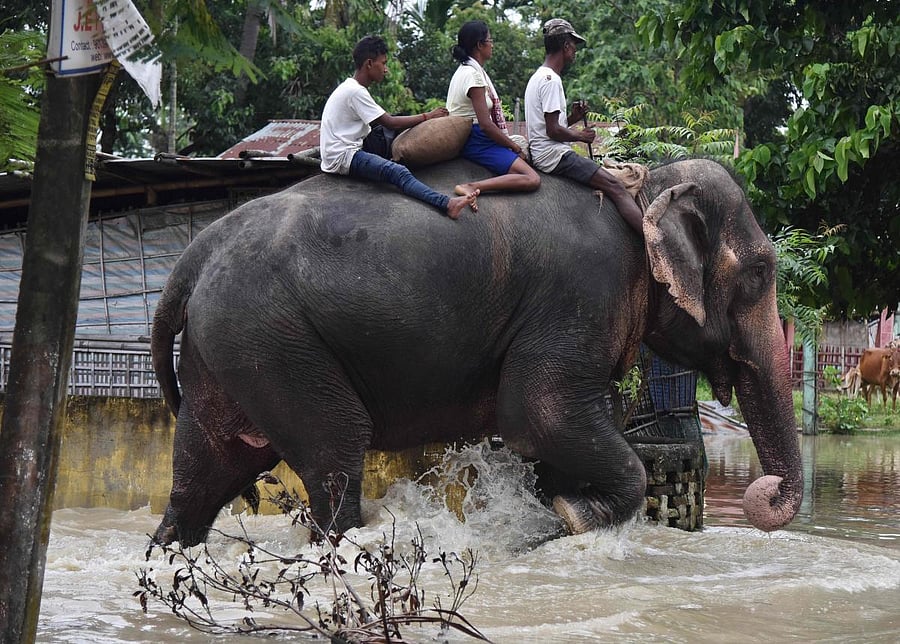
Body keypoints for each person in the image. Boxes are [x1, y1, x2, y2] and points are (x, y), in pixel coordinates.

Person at [320, 35, 478, 219]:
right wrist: (428, 116)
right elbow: (390, 122)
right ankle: (446, 204)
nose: (385, 70)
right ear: (369, 63)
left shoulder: (351, 87)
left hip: (347, 147)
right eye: (383, 63)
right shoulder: (355, 92)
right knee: (398, 172)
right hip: (344, 156)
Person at [524, 19, 643, 235]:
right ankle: (654, 242)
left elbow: (548, 127)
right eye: (574, 44)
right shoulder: (551, 80)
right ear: (566, 45)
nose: (575, 50)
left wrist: (573, 118)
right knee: (616, 187)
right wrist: (581, 136)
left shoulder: (538, 76)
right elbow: (553, 132)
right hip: (553, 156)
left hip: (544, 151)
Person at [446, 20, 540, 197]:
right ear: (480, 45)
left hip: (471, 136)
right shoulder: (473, 76)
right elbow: (485, 125)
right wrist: (515, 147)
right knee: (532, 178)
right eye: (490, 40)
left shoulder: (463, 71)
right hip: (477, 139)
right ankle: (472, 186)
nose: (492, 44)